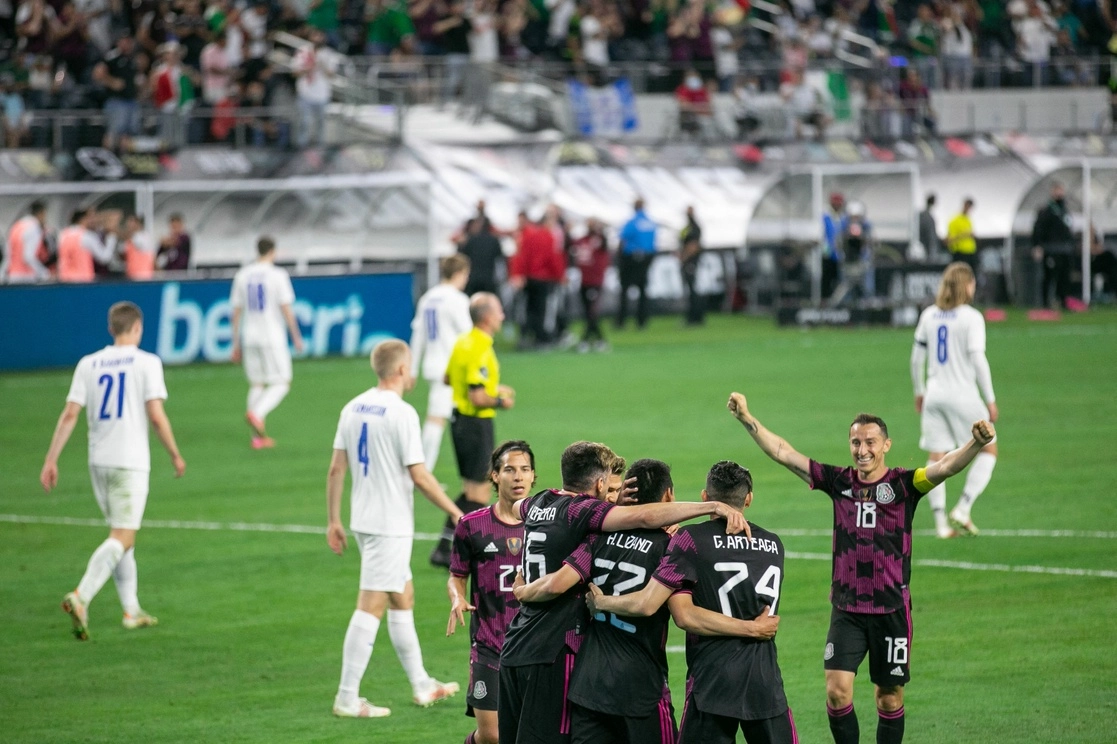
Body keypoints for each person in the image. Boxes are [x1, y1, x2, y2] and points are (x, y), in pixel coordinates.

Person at [726, 391, 997, 744]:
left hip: (891, 609)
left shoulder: (904, 484)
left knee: (889, 697)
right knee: (837, 692)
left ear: (886, 445)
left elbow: (945, 466)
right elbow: (783, 453)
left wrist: (974, 444)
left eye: (870, 441)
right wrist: (747, 418)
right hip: (847, 609)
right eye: (855, 442)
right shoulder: (839, 482)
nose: (862, 449)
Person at [498, 441, 750, 744]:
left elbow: (514, 508)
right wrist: (712, 506)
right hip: (557, 652)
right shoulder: (596, 520)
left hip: (517, 646)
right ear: (601, 482)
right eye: (610, 486)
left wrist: (524, 589)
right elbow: (643, 522)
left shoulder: (540, 504)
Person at [585, 460, 794, 744]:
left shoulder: (690, 540)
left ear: (705, 497)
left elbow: (683, 615)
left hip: (712, 682)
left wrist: (603, 602)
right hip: (765, 681)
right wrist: (754, 629)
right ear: (748, 499)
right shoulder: (774, 544)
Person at [326, 339, 465, 718]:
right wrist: (455, 511)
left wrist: (333, 520)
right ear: (402, 370)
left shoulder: (352, 406)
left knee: (403, 595)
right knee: (371, 604)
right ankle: (346, 697)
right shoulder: (402, 413)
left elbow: (336, 468)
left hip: (364, 520)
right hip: (390, 524)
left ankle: (422, 684)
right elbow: (419, 476)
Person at [40, 301, 186, 640]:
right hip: (130, 461)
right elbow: (156, 415)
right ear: (137, 329)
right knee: (122, 535)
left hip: (98, 462)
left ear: (110, 329)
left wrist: (51, 459)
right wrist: (175, 454)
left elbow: (69, 414)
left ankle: (131, 610)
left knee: (123, 537)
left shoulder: (88, 363)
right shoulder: (147, 362)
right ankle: (81, 596)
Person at [513, 458, 681, 744]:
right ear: (668, 496)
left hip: (589, 684)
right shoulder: (671, 547)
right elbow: (675, 613)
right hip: (642, 685)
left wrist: (523, 590)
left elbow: (558, 581)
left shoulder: (596, 539)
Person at [447, 440, 537, 744]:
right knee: (493, 736)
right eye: (509, 469)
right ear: (495, 476)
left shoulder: (546, 524)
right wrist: (457, 596)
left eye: (525, 469)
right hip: (489, 644)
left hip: (533, 644)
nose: (518, 476)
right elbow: (456, 575)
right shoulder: (472, 526)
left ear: (533, 476)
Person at [911, 262, 998, 538]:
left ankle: (940, 525)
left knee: (936, 457)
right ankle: (963, 507)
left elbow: (916, 359)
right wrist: (990, 398)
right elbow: (977, 358)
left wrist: (919, 391)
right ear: (966, 285)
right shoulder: (971, 318)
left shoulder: (929, 315)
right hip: (963, 395)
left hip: (934, 395)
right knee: (988, 449)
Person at [430, 292, 516, 567]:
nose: (503, 316)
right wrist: (501, 400)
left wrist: (491, 388)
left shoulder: (463, 342)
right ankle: (473, 550)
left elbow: (447, 377)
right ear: (488, 317)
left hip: (459, 422)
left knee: (471, 490)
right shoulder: (479, 346)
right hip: (476, 423)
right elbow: (478, 398)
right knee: (479, 493)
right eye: (499, 311)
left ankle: (444, 548)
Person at [230, 236, 305, 449]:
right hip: (272, 336)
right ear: (273, 251)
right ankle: (257, 413)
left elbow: (236, 311)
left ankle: (257, 438)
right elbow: (286, 308)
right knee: (282, 382)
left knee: (257, 383)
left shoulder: (242, 275)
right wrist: (296, 336)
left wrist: (235, 343)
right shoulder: (278, 275)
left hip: (249, 335)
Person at [410, 253, 472, 471]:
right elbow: (469, 334)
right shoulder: (457, 299)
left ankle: (422, 471)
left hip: (432, 364)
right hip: (450, 369)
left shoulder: (428, 297)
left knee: (442, 418)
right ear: (460, 273)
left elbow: (418, 336)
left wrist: (412, 369)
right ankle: (421, 472)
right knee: (438, 420)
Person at [1031, 181, 1076, 309]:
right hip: (1051, 250)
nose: (1060, 193)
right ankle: (1045, 303)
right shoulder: (1046, 210)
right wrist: (1037, 246)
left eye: (1061, 190)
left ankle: (1063, 301)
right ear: (1052, 192)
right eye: (1057, 190)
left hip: (1065, 250)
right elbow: (1038, 229)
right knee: (1049, 277)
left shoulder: (1065, 210)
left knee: (1064, 278)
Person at [616, 199, 658, 330]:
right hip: (646, 258)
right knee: (643, 290)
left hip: (631, 258)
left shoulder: (632, 222)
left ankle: (621, 320)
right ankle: (642, 321)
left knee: (624, 290)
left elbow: (623, 238)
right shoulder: (651, 223)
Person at [571, 217, 610, 352]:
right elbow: (569, 245)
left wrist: (600, 228)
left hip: (596, 282)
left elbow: (604, 243)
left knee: (592, 312)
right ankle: (599, 340)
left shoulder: (599, 240)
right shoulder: (582, 240)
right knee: (588, 312)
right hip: (584, 281)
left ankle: (586, 340)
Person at [58, 208, 118, 283]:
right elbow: (104, 258)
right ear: (84, 219)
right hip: (83, 281)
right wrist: (111, 237)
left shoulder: (63, 234)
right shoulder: (87, 236)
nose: (93, 221)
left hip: (65, 280)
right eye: (90, 218)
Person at [4, 200, 50, 283]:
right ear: (41, 213)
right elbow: (28, 257)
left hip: (13, 276)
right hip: (26, 278)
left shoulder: (16, 226)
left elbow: (8, 255)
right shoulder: (33, 227)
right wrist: (45, 273)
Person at [458, 217, 504, 296]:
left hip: (473, 278)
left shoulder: (470, 240)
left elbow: (461, 255)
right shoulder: (494, 240)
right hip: (489, 278)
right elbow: (500, 258)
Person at [679, 205, 705, 326]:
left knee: (693, 289)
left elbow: (693, 246)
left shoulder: (694, 228)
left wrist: (684, 258)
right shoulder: (688, 227)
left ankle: (695, 317)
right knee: (691, 289)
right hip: (688, 261)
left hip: (691, 262)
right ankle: (694, 316)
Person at [821, 192, 846, 299]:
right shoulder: (826, 217)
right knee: (827, 278)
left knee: (840, 279)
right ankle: (825, 299)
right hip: (828, 253)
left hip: (841, 255)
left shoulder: (843, 218)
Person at [946, 198, 979, 273]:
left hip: (970, 252)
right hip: (960, 253)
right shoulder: (954, 220)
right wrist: (964, 235)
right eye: (967, 206)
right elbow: (949, 239)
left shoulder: (968, 219)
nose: (968, 209)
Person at [122, 215, 157, 280]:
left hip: (143, 275)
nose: (129, 226)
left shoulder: (144, 236)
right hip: (131, 274)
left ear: (137, 224)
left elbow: (137, 242)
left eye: (131, 223)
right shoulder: (128, 240)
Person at [917, 193, 939, 262]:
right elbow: (930, 235)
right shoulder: (926, 216)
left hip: (927, 245)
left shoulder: (924, 215)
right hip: (926, 246)